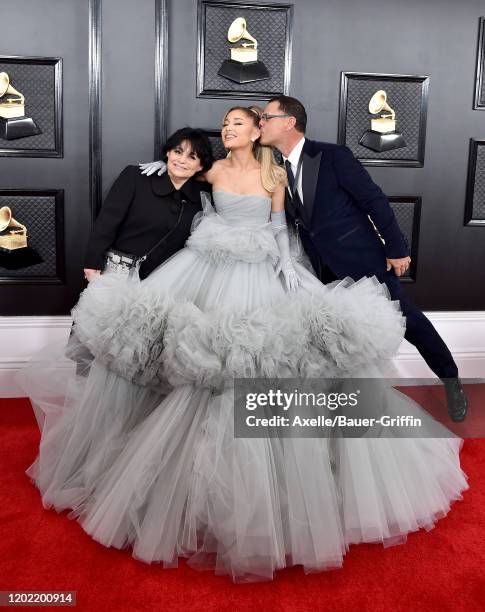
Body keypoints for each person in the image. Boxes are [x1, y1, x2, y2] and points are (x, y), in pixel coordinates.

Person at [17, 105, 468, 584]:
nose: (229, 130)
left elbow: (281, 225)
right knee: (194, 356)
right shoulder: (209, 170)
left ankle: (445, 382)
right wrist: (163, 166)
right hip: (207, 264)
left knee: (276, 359)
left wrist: (287, 267)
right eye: (225, 125)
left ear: (260, 130)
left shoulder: (282, 170)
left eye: (240, 123)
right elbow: (182, 172)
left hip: (277, 265)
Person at [84, 127, 213, 282]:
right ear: (168, 153)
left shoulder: (203, 197)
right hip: (118, 273)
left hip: (166, 282)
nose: (182, 160)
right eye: (177, 152)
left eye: (192, 157)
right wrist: (92, 263)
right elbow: (106, 222)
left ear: (201, 166)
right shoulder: (135, 177)